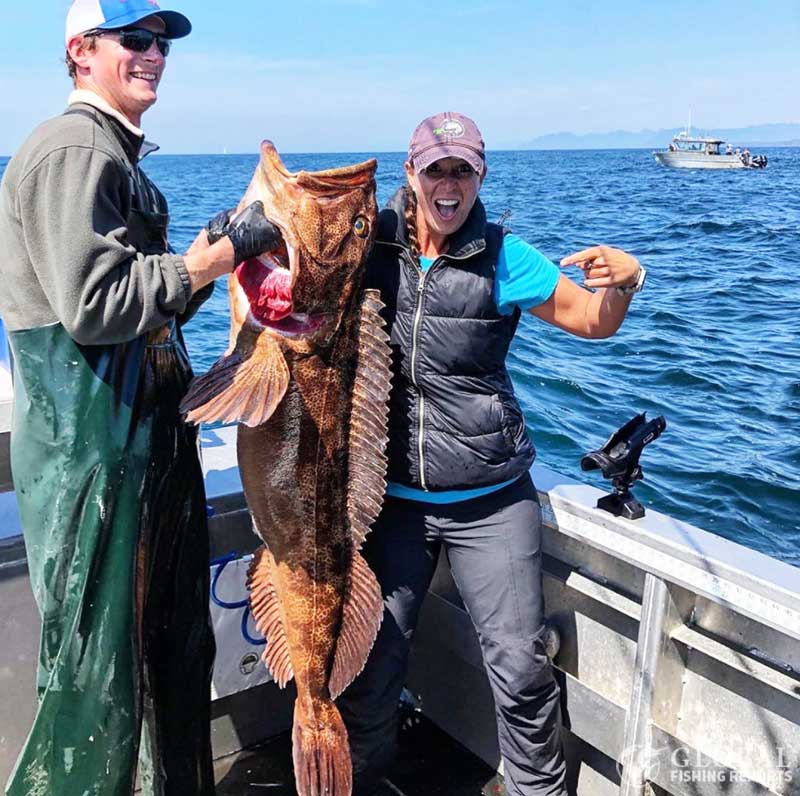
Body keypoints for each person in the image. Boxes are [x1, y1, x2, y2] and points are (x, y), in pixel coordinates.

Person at [0, 1, 277, 793]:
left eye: (160, 43)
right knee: (99, 681)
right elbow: (94, 306)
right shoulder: (71, 149)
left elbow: (142, 303)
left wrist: (200, 257)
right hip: (95, 468)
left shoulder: (116, 157)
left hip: (142, 455)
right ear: (82, 52)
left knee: (168, 662)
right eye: (136, 40)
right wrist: (217, 259)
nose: (155, 54)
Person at [337, 112, 645, 796]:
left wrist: (626, 280)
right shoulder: (371, 246)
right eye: (435, 169)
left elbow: (593, 323)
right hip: (388, 505)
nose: (448, 185)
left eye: (463, 171)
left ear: (481, 177)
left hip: (490, 500)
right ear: (409, 173)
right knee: (369, 666)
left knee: (523, 671)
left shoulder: (505, 255)